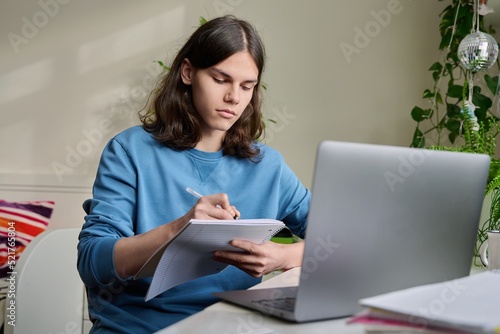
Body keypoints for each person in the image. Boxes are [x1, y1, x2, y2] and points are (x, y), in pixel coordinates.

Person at [77, 15, 310, 333]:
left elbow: (341, 240)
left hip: (232, 326)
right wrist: (179, 230)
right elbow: (92, 262)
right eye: (220, 79)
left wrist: (285, 255)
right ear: (188, 72)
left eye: (247, 86)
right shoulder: (130, 150)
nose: (234, 97)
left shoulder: (268, 166)